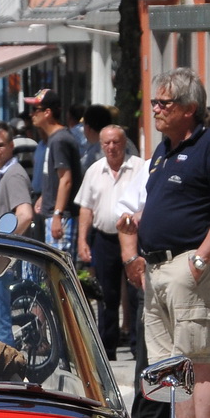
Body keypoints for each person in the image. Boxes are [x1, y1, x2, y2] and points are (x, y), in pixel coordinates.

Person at [117, 68, 210, 418]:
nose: (155, 108)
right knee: (171, 370)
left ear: (189, 108)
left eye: (164, 102)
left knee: (197, 362)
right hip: (155, 271)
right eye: (154, 101)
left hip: (187, 267)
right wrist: (134, 240)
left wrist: (201, 261)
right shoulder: (161, 151)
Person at [74, 124, 146, 360]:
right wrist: (82, 241)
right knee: (107, 296)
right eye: (107, 143)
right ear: (101, 145)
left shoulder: (140, 167)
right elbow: (86, 208)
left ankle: (138, 347)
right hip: (104, 240)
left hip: (134, 238)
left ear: (124, 143)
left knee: (137, 295)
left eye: (116, 142)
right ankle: (108, 350)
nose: (111, 147)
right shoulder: (94, 170)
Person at [0, 122, 36, 339]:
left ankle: (8, 374)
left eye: (0, 145)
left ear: (11, 145)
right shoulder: (1, 174)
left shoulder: (13, 175)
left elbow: (25, 214)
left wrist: (4, 245)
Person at [24, 89, 83, 258]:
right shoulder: (53, 139)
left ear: (47, 112)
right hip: (51, 213)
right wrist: (44, 197)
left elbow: (66, 179)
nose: (31, 115)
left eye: (35, 110)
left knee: (58, 272)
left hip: (61, 217)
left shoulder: (59, 140)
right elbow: (54, 178)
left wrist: (58, 215)